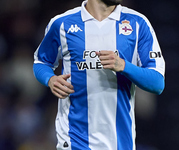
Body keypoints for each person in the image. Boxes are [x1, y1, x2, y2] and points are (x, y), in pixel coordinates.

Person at [33, 0, 165, 149]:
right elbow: (41, 62)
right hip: (74, 140)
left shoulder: (138, 23)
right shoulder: (61, 23)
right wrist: (50, 79)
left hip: (120, 142)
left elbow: (157, 83)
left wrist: (123, 66)